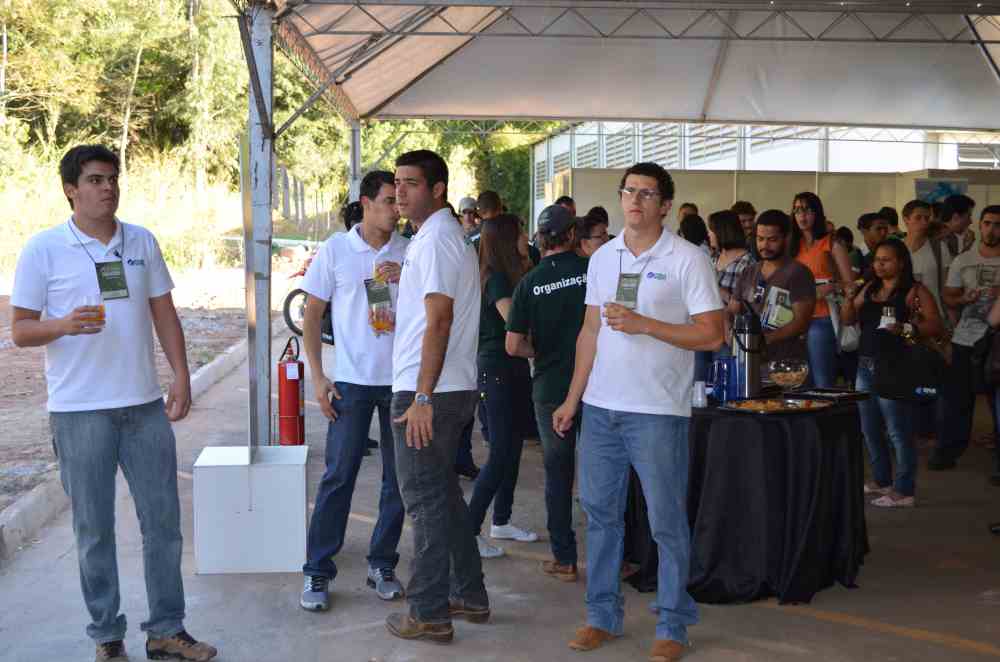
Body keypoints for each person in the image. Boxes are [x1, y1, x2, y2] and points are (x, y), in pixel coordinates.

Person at [10, 145, 217, 662]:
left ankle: (167, 630)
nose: (108, 188)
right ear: (71, 190)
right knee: (94, 530)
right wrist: (63, 324)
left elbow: (164, 312)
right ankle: (107, 636)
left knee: (163, 525)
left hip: (144, 407)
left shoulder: (141, 241)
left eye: (112, 179)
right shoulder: (43, 249)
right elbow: (21, 330)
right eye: (95, 180)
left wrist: (181, 374)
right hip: (79, 413)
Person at [552, 162, 724, 662]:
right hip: (601, 408)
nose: (635, 200)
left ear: (665, 205)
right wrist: (572, 398)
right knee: (600, 517)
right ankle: (601, 616)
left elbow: (712, 333)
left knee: (666, 521)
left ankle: (673, 624)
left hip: (657, 410)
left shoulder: (688, 258)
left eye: (647, 194)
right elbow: (590, 332)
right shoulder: (602, 257)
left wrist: (646, 323)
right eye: (629, 191)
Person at [386, 149, 489, 644]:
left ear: (438, 189)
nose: (400, 192)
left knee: (425, 504)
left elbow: (440, 320)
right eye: (397, 183)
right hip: (442, 388)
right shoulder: (434, 238)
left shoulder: (437, 240)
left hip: (429, 392)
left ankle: (428, 612)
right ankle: (469, 593)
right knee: (443, 498)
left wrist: (422, 397)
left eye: (411, 183)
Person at [298, 170, 408, 612]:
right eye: (389, 201)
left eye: (399, 201)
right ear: (366, 203)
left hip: (399, 382)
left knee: (398, 480)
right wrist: (318, 376)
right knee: (338, 475)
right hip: (350, 382)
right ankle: (317, 570)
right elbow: (311, 314)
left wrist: (406, 277)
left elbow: (431, 311)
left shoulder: (409, 251)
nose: (397, 210)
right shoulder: (337, 250)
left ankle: (382, 563)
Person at [506, 204, 589, 582]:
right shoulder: (591, 271)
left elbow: (513, 345)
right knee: (606, 472)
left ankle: (565, 558)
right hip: (598, 387)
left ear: (541, 238)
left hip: (551, 389)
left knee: (558, 474)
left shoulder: (529, 283)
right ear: (572, 235)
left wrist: (540, 351)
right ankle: (620, 556)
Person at [841, 239, 944, 508]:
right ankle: (882, 480)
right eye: (877, 260)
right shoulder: (869, 288)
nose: (879, 265)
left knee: (898, 431)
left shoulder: (914, 291)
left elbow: (935, 325)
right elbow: (847, 319)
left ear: (901, 262)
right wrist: (849, 298)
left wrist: (907, 328)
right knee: (870, 429)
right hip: (865, 364)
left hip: (897, 366)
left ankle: (904, 490)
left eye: (886, 260)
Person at [467, 214, 539, 560]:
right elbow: (514, 320)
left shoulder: (510, 275)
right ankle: (470, 530)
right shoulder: (495, 279)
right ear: (508, 241)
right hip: (496, 370)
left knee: (512, 449)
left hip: (513, 369)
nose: (527, 238)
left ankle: (502, 520)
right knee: (499, 454)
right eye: (521, 233)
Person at [931, 205, 1000, 471]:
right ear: (979, 225)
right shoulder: (963, 260)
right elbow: (949, 296)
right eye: (987, 223)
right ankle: (947, 451)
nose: (992, 230)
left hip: (996, 342)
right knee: (957, 400)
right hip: (966, 338)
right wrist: (963, 299)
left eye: (998, 225)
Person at [730, 210, 816, 367]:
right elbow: (732, 310)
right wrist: (730, 336)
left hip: (786, 365)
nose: (764, 245)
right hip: (747, 361)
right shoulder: (749, 271)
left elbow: (801, 322)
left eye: (772, 240)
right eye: (760, 239)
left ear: (786, 238)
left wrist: (764, 339)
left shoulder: (798, 273)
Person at [790, 192, 854, 387]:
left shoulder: (832, 243)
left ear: (817, 213)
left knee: (822, 380)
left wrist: (831, 287)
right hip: (795, 318)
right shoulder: (792, 245)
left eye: (807, 210)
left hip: (822, 316)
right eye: (797, 210)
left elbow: (850, 285)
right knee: (798, 381)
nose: (802, 215)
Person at [901, 199, 949, 321]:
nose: (924, 222)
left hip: (934, 315)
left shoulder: (939, 248)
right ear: (906, 219)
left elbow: (945, 286)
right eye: (918, 218)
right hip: (903, 314)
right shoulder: (895, 248)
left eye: (927, 218)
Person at [938, 194, 977, 260]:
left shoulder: (952, 237)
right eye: (968, 216)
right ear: (956, 216)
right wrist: (968, 246)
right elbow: (954, 264)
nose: (970, 221)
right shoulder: (938, 237)